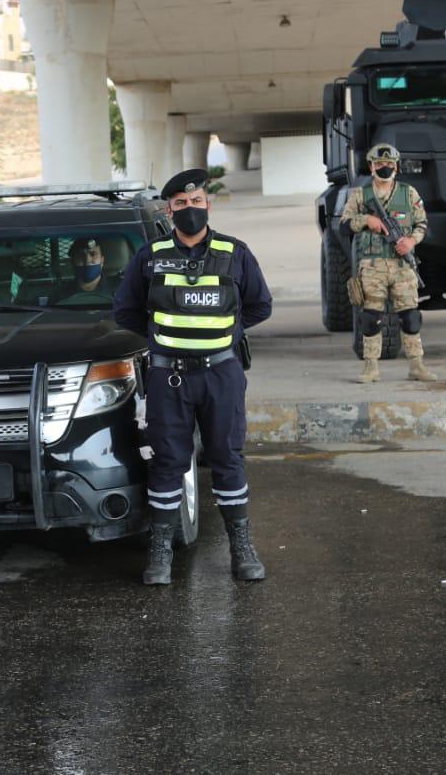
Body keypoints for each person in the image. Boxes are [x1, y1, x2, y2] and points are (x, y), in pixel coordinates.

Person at [113, 168, 273, 586]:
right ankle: (161, 554)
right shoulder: (150, 256)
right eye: (181, 204)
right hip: (170, 378)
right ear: (170, 210)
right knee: (168, 462)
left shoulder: (235, 252)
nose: (189, 210)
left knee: (227, 458)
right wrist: (167, 341)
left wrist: (223, 335)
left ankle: (242, 550)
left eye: (196, 202)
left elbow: (260, 305)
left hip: (221, 374)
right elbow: (125, 312)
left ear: (208, 205)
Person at [341, 143, 436, 384]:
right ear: (371, 166)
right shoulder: (361, 195)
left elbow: (422, 224)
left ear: (397, 166)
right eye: (380, 164)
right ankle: (371, 367)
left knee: (411, 317)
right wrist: (366, 219)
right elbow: (343, 225)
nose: (385, 168)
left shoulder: (409, 193)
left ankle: (416, 365)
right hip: (372, 267)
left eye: (389, 164)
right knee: (370, 318)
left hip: (402, 266)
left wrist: (411, 242)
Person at [53, 238, 117, 303]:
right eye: (81, 255)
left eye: (93, 254)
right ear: (73, 262)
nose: (87, 260)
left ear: (102, 261)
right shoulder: (59, 295)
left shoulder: (120, 291)